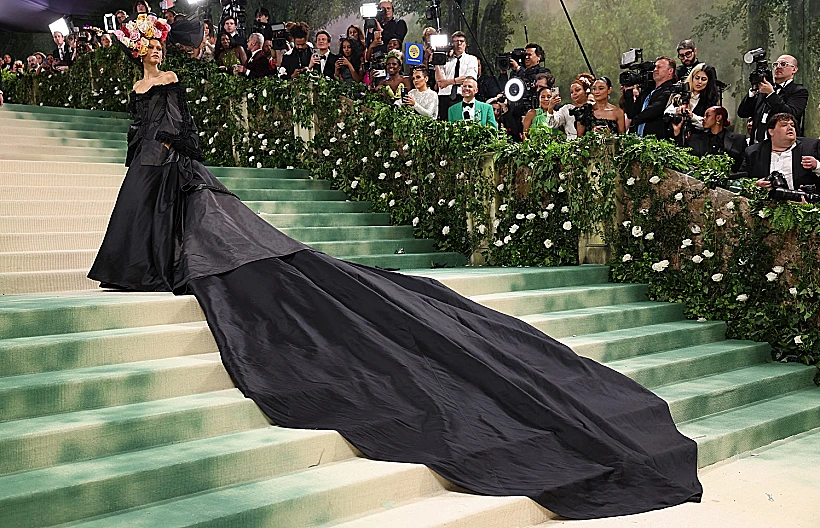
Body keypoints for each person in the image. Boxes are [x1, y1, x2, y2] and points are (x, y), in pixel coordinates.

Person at [95, 15, 702, 521]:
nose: (147, 48)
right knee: (160, 220)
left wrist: (164, 145)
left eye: (150, 41)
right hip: (152, 163)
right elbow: (143, 129)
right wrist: (152, 145)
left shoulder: (169, 79)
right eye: (143, 43)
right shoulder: (143, 84)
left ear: (159, 44)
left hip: (168, 162)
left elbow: (180, 128)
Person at [737, 54, 809, 144]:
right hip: (756, 146)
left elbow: (790, 114)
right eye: (775, 65)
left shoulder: (798, 91)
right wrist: (753, 90)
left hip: (781, 146)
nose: (778, 67)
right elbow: (743, 113)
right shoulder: (765, 89)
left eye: (783, 64)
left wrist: (771, 94)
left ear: (794, 69)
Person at [741, 113, 820, 192]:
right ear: (771, 131)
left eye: (792, 125)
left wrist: (817, 166)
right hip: (767, 202)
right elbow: (740, 179)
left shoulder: (811, 147)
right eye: (784, 125)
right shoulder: (753, 152)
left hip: (803, 201)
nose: (790, 128)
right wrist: (755, 185)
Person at [672, 106, 747, 172]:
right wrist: (677, 132)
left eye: (707, 116)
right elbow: (682, 154)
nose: (703, 119)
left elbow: (744, 162)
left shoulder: (738, 140)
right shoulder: (695, 138)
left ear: (718, 118)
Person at [622, 56, 676, 138]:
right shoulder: (647, 91)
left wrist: (635, 120)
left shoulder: (671, 91)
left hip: (656, 140)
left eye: (659, 67)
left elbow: (652, 112)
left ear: (670, 71)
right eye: (654, 67)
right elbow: (631, 113)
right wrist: (629, 90)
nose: (655, 70)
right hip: (637, 140)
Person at [435, 31, 478, 120]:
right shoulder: (445, 60)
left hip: (461, 95)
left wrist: (447, 82)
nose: (459, 44)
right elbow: (440, 83)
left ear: (465, 44)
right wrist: (436, 62)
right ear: (452, 44)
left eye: (461, 41)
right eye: (456, 41)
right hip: (444, 96)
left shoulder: (471, 59)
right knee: (445, 125)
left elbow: (468, 80)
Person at [664, 63, 719, 131]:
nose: (699, 82)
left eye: (703, 79)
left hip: (699, 138)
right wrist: (677, 110)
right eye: (697, 78)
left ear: (708, 82)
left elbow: (708, 124)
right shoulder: (680, 95)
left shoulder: (710, 99)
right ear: (692, 78)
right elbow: (666, 113)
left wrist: (692, 116)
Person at [543, 73, 594, 140]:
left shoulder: (594, 107)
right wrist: (550, 108)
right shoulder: (566, 109)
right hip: (572, 144)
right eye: (571, 92)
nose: (574, 94)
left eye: (577, 90)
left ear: (586, 91)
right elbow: (552, 124)